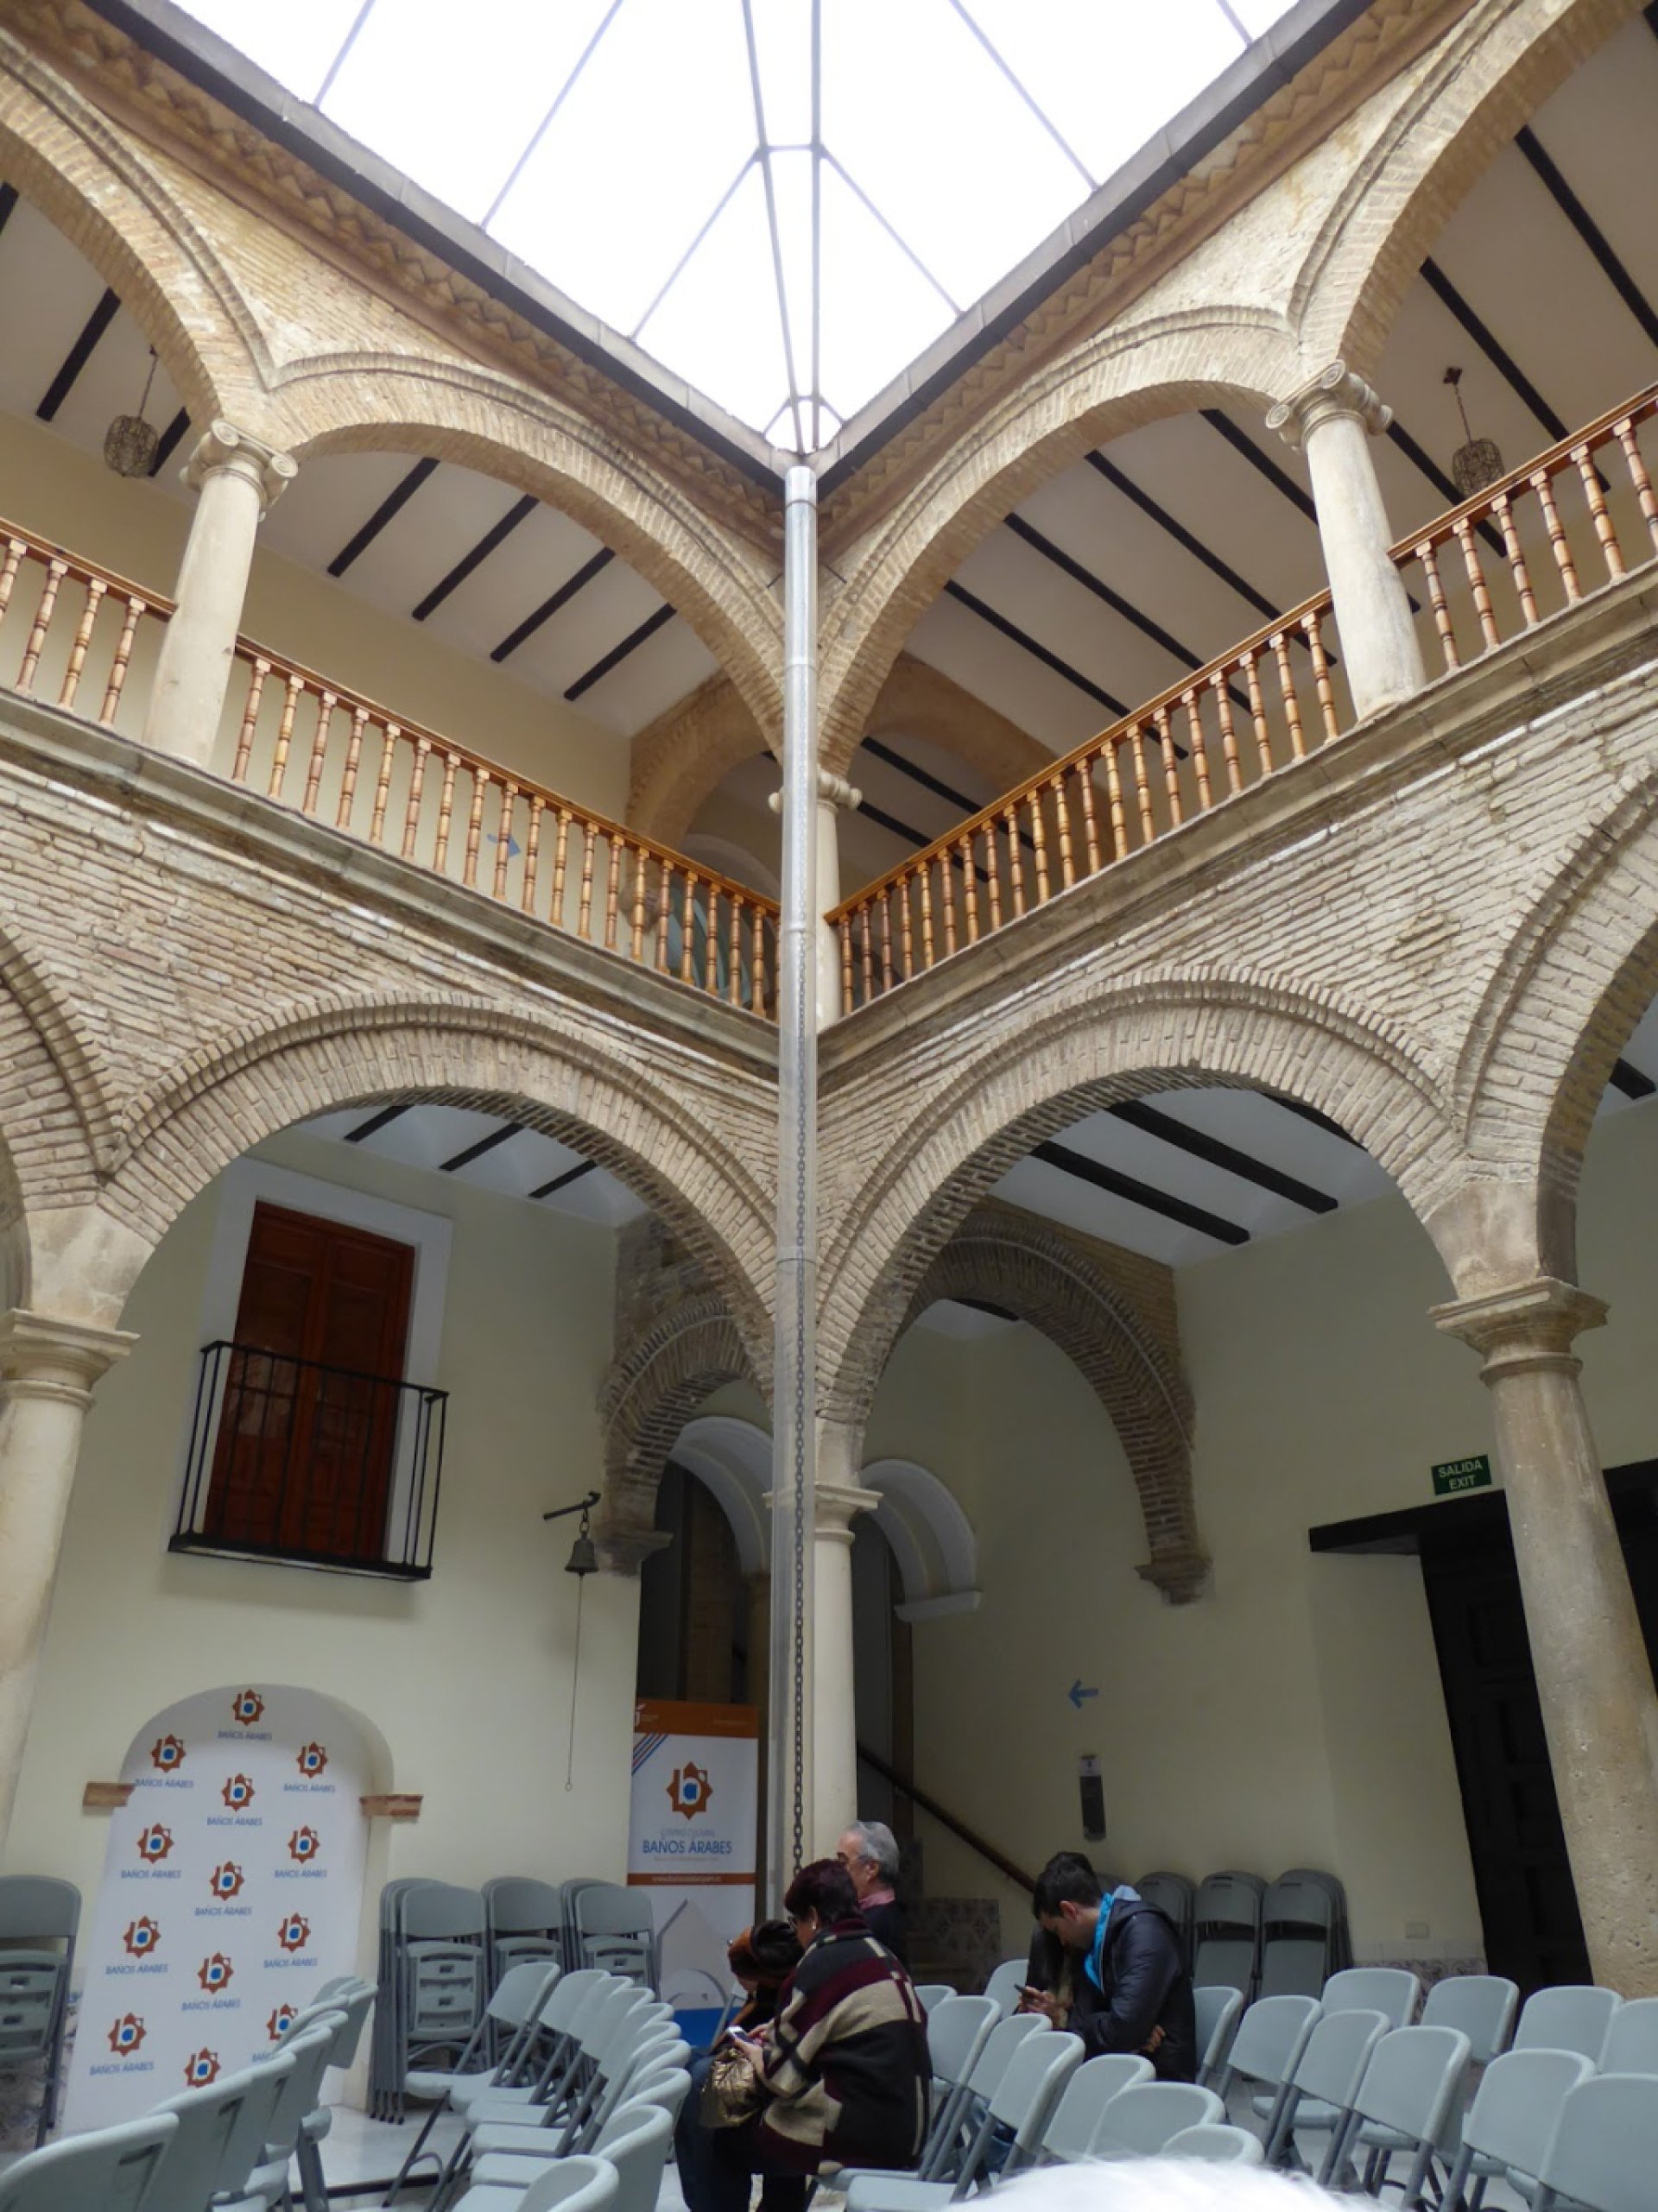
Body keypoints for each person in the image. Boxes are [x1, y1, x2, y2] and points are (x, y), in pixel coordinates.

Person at [684, 1858, 930, 2212]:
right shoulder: (882, 1956)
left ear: (813, 1917)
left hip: (858, 2137)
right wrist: (777, 2032)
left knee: (720, 2131)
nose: (796, 1933)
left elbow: (780, 2078)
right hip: (905, 2132)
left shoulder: (820, 1963)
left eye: (795, 1922)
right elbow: (839, 2032)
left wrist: (755, 2051)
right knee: (783, 2115)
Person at [1018, 1851, 1197, 2082]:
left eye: (1056, 1930)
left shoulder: (1145, 1933)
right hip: (1117, 2066)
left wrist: (1124, 2029)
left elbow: (1120, 2031)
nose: (1061, 1941)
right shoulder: (1097, 1942)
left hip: (1159, 2076)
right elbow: (1087, 2024)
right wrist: (1125, 2027)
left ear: (1070, 1911)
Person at [675, 1920, 801, 2211]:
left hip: (799, 2109)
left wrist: (759, 2051)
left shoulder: (802, 1994)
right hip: (792, 2093)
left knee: (703, 2083)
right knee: (692, 2063)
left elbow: (786, 2070)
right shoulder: (791, 1987)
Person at [836, 1818, 909, 1964]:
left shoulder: (873, 1925)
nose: (836, 1871)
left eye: (843, 1863)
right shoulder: (885, 1910)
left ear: (872, 1869)